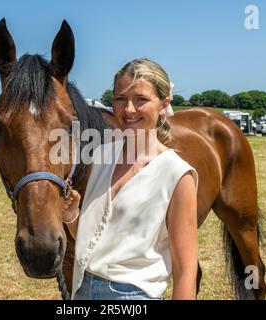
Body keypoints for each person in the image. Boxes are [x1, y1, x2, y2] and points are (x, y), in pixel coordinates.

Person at [62, 58, 199, 300]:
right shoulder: (99, 156)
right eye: (120, 99)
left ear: (163, 104)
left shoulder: (177, 175)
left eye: (141, 100)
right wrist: (72, 215)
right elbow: (91, 240)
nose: (129, 110)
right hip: (82, 290)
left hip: (133, 296)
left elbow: (186, 269)